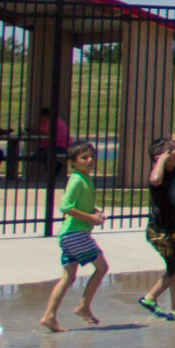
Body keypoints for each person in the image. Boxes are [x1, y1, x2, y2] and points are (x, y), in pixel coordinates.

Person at [38, 142, 107, 332]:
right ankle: (83, 307)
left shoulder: (86, 179)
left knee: (68, 277)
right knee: (102, 268)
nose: (90, 160)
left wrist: (94, 211)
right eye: (84, 157)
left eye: (92, 156)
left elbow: (81, 204)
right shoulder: (76, 180)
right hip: (75, 234)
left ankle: (49, 316)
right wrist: (91, 218)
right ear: (73, 163)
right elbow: (66, 207)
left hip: (70, 235)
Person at [136, 136, 175, 321]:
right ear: (159, 157)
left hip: (172, 229)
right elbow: (154, 180)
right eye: (171, 151)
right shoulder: (159, 175)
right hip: (159, 232)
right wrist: (162, 159)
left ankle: (150, 298)